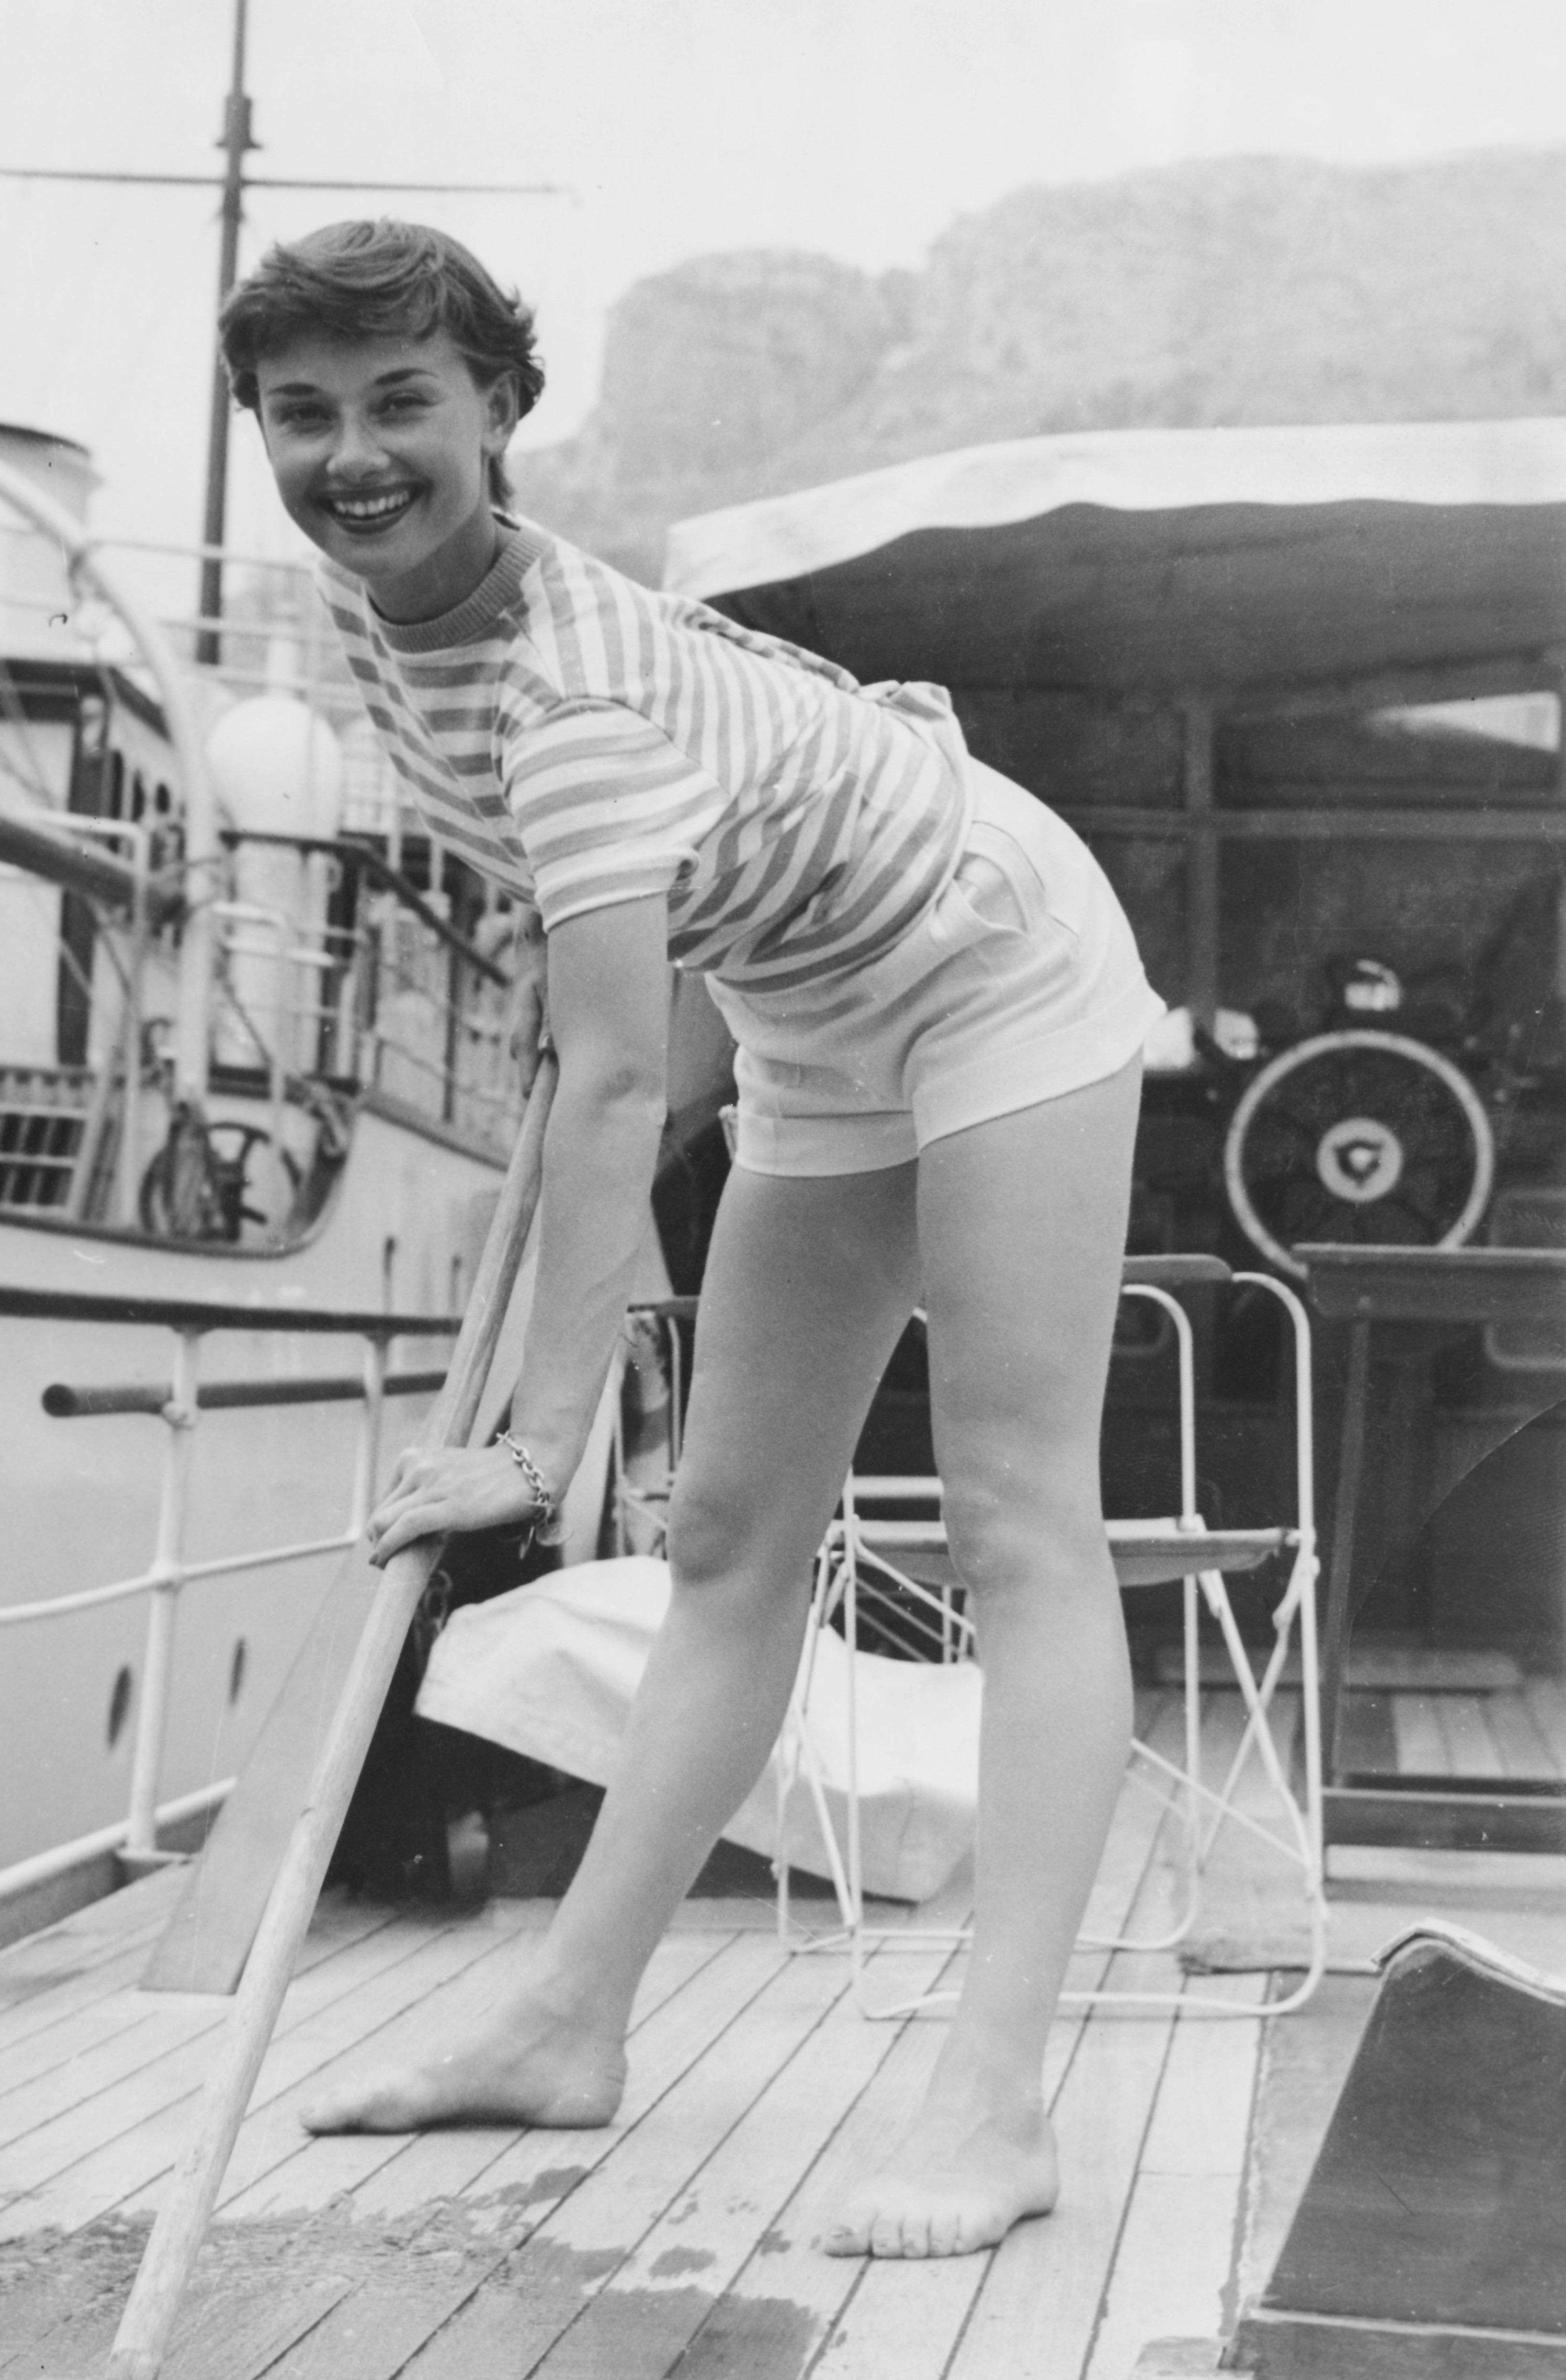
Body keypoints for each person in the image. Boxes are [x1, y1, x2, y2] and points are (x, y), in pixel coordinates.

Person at [221, 221, 1167, 2260]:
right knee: (732, 1536)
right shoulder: (376, 620)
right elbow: (666, 961)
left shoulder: (564, 700)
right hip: (811, 995)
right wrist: (670, 1048)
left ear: (501, 410)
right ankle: (567, 2018)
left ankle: (995, 2108)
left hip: (992, 956)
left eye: (404, 403)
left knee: (1015, 1518)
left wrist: (531, 1444)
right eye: (305, 415)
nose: (354, 455)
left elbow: (605, 1088)